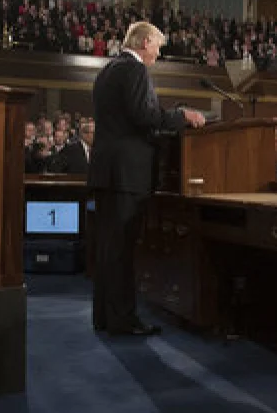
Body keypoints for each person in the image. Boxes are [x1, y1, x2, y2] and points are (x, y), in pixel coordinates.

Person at [88, 21, 206, 336]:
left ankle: (106, 317)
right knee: (122, 251)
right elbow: (146, 117)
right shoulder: (134, 70)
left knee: (109, 250)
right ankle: (123, 320)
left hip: (109, 172)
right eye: (156, 45)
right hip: (126, 174)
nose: (158, 52)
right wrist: (183, 116)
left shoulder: (109, 70)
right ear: (143, 42)